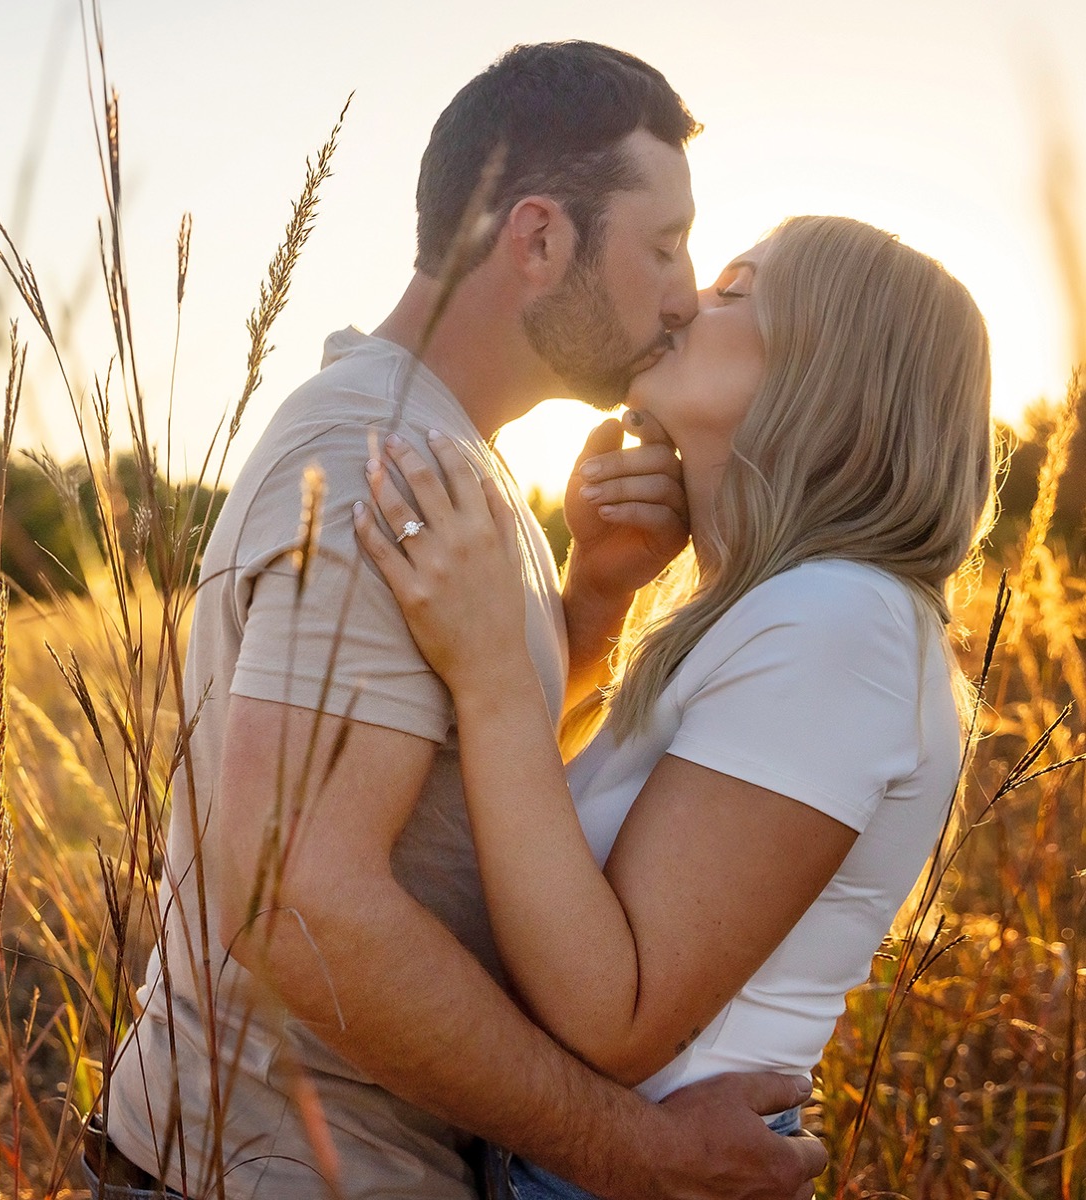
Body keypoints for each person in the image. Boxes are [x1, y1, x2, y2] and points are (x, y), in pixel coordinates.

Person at [92, 40, 825, 1200]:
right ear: (538, 239)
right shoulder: (374, 462)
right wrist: (635, 1152)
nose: (684, 295)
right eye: (665, 246)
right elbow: (291, 902)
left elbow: (462, 783)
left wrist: (591, 599)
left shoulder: (446, 458)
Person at [353, 215, 994, 1200]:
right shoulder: (769, 615)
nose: (690, 300)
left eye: (736, 291)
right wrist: (597, 603)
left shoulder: (839, 623)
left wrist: (488, 673)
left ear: (827, 377)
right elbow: (556, 855)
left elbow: (617, 1018)